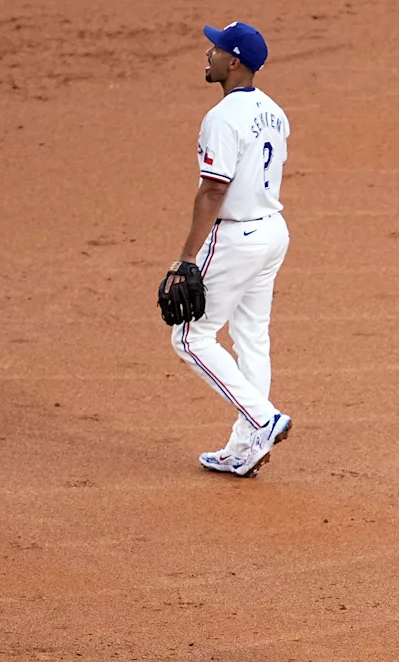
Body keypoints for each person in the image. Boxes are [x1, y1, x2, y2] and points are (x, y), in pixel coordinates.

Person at [160, 22, 292, 478]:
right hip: (273, 230)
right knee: (252, 336)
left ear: (233, 60)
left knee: (190, 338)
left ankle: (263, 418)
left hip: (238, 238)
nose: (208, 55)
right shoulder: (274, 111)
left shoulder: (222, 118)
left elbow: (213, 191)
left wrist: (185, 258)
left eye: (215, 49)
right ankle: (246, 446)